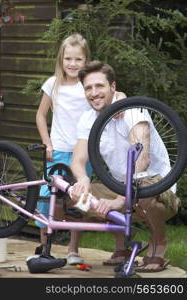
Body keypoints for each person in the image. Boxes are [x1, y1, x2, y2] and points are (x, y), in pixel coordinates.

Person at [70, 60, 181, 272]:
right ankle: (123, 245)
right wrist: (82, 180)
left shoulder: (133, 110)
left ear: (113, 87)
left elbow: (142, 159)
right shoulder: (87, 119)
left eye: (99, 86)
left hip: (155, 187)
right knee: (75, 196)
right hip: (121, 187)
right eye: (88, 88)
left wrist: (120, 200)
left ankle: (159, 244)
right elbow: (78, 160)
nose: (94, 93)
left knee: (141, 195)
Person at [35, 33, 93, 266]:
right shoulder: (53, 84)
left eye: (78, 59)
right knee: (46, 198)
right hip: (57, 150)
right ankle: (43, 246)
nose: (72, 64)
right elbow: (40, 115)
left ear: (86, 61)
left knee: (78, 201)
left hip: (82, 152)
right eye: (68, 59)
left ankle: (73, 249)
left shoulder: (87, 86)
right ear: (61, 59)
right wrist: (47, 143)